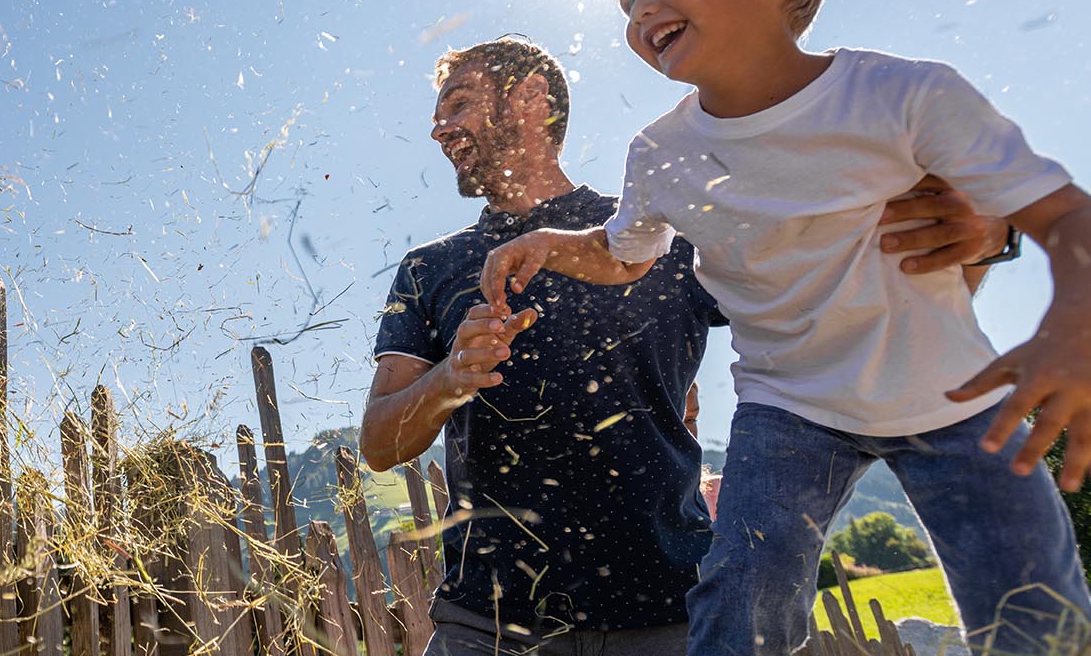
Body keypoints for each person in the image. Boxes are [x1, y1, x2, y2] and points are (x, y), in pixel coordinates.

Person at [479, 0, 1091, 654]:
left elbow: (1060, 213)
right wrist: (553, 243)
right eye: (628, 1)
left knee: (1035, 609)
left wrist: (1073, 315)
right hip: (789, 407)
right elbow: (625, 255)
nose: (641, 11)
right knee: (743, 591)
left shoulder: (905, 97)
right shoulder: (662, 152)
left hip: (956, 391)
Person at [358, 35, 1005, 654]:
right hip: (489, 625)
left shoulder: (659, 234)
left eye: (460, 101)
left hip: (669, 616)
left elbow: (838, 314)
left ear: (531, 98)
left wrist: (981, 235)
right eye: (439, 112)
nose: (440, 128)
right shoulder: (428, 269)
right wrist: (451, 377)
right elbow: (382, 443)